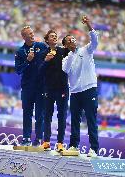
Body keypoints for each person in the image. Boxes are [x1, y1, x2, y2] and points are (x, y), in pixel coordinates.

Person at [62, 16, 99, 157]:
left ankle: (94, 148)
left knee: (91, 119)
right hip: (76, 92)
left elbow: (95, 41)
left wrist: (89, 25)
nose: (72, 41)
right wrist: (71, 52)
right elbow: (66, 69)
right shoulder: (66, 59)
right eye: (69, 41)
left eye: (73, 39)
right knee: (74, 121)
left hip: (90, 90)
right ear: (65, 45)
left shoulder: (86, 50)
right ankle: (73, 146)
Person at [15, 26, 47, 146]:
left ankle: (38, 138)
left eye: (32, 33)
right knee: (27, 113)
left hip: (41, 87)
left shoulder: (42, 46)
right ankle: (26, 138)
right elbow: (18, 70)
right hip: (27, 87)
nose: (32, 35)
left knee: (40, 114)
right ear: (24, 37)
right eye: (29, 34)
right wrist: (27, 60)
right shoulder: (20, 51)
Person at [39, 30, 69, 152]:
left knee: (62, 116)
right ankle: (46, 142)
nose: (54, 37)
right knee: (47, 116)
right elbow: (40, 71)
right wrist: (46, 60)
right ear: (47, 40)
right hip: (48, 89)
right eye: (52, 36)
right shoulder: (43, 53)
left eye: (56, 36)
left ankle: (60, 143)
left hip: (62, 89)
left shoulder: (63, 51)